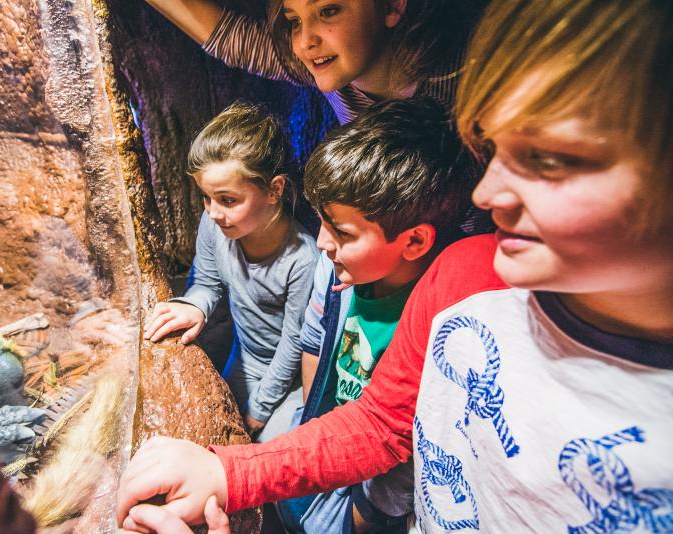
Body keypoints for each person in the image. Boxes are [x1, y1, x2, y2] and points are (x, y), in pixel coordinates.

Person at [117, 0, 673, 531]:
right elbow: (383, 422)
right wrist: (228, 472)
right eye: (492, 149)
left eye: (550, 160)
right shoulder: (466, 272)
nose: (487, 193)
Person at [278, 97, 479, 534]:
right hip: (330, 444)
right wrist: (317, 433)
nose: (321, 242)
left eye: (341, 231)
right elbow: (314, 342)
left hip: (375, 487)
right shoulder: (332, 269)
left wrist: (369, 513)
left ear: (414, 242)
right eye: (320, 221)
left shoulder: (444, 318)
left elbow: (418, 434)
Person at [144, 102, 319, 441]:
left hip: (290, 380)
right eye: (206, 198)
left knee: (262, 453)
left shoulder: (304, 260)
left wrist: (260, 408)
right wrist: (193, 305)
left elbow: (294, 344)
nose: (212, 213)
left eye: (227, 200)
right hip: (243, 360)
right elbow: (207, 284)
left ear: (274, 190)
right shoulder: (216, 228)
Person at [142, 0, 486, 124]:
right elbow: (231, 39)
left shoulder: (463, 76)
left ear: (393, 6)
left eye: (328, 11)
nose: (306, 40)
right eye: (294, 20)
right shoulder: (325, 65)